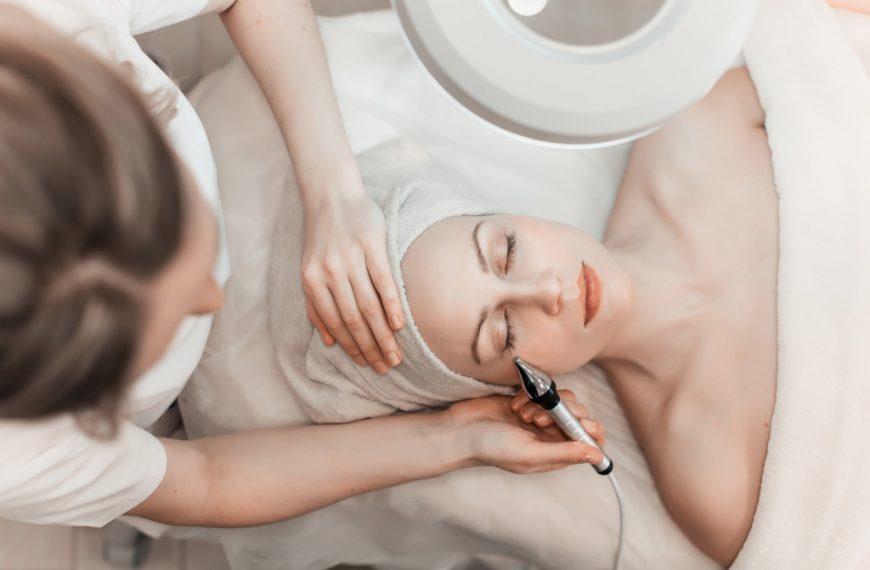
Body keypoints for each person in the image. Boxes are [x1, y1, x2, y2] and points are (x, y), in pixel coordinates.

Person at [0, 3, 602, 529]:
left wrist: (334, 191)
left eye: (188, 237)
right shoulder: (16, 459)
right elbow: (205, 480)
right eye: (154, 328)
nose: (213, 296)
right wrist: (457, 438)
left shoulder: (51, 17)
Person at [395, 67, 776, 566]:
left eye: (507, 251)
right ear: (522, 389)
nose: (548, 290)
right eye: (505, 330)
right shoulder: (713, 484)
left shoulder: (700, 122)